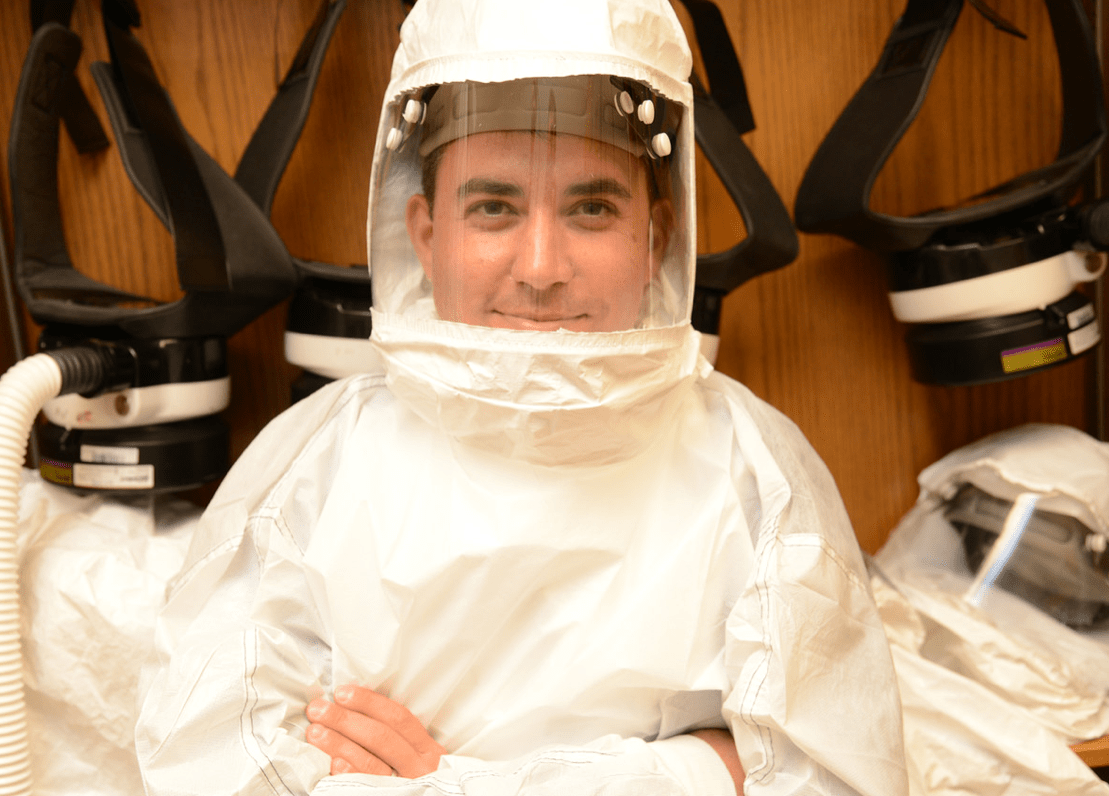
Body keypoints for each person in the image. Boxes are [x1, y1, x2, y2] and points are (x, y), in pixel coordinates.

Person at [134, 1, 908, 794]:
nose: (540, 266)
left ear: (659, 239)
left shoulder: (756, 474)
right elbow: (208, 757)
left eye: (592, 208)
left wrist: (433, 782)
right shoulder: (316, 464)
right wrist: (704, 766)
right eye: (494, 208)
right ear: (427, 238)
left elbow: (834, 774)